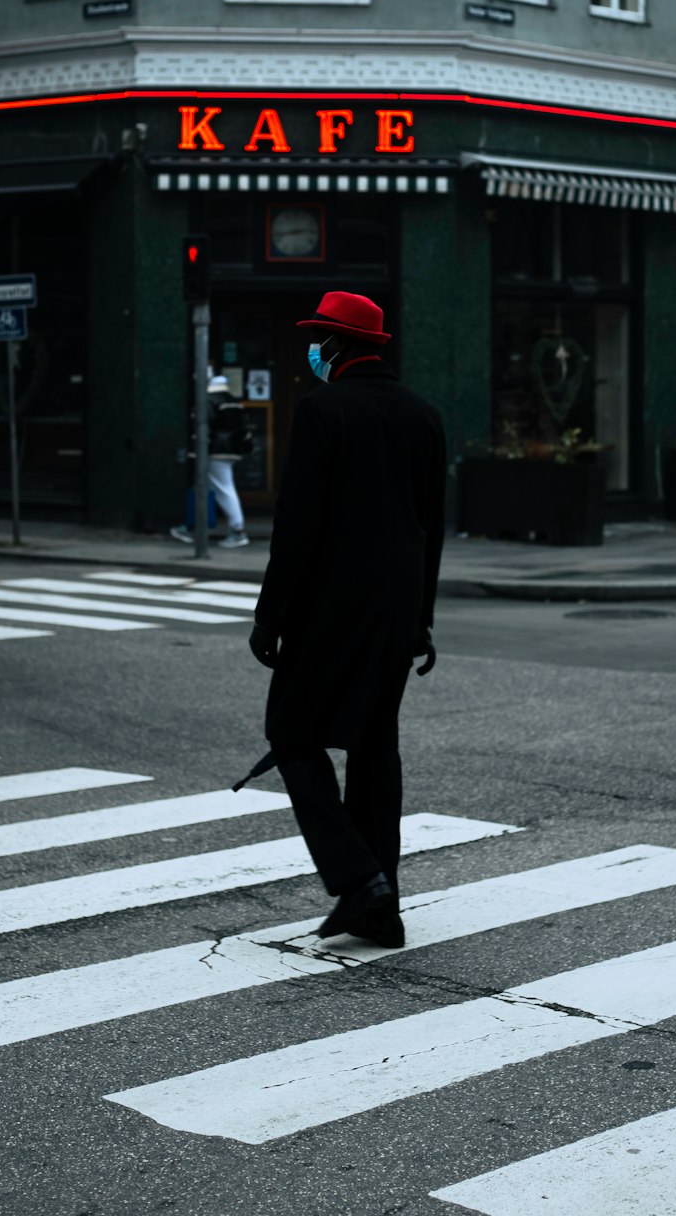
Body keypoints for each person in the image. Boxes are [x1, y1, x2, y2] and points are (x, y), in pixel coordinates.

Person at [242, 291, 446, 949]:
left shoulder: (323, 410)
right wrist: (421, 620)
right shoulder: (424, 416)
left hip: (329, 608)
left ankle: (357, 878)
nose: (313, 354)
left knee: (292, 732)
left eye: (318, 341)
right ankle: (381, 912)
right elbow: (432, 529)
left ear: (335, 345)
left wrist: (270, 616)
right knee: (373, 747)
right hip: (394, 611)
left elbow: (297, 524)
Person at [171, 371, 252, 549]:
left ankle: (237, 529)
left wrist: (197, 451)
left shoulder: (209, 400)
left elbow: (202, 427)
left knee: (222, 488)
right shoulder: (232, 400)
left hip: (215, 450)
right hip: (230, 449)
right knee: (208, 487)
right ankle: (195, 526)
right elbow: (243, 427)